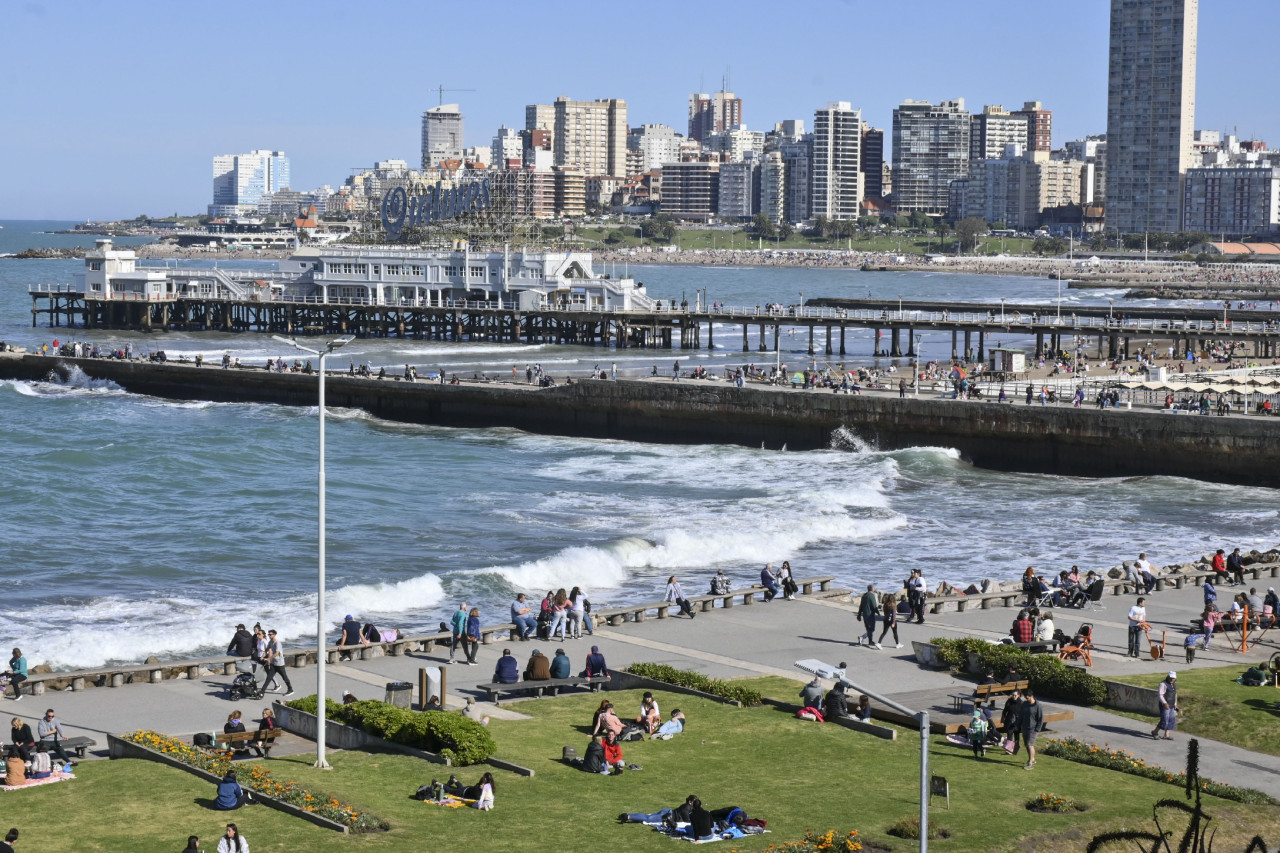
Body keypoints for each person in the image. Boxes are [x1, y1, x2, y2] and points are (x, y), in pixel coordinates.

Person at [620, 794, 700, 825]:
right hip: (667, 815)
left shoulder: (687, 806)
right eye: (695, 801)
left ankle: (627, 814)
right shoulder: (686, 808)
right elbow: (687, 820)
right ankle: (628, 817)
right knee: (647, 819)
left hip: (667, 811)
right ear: (690, 802)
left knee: (648, 816)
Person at [260, 630, 293, 696]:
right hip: (273, 663)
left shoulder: (277, 643)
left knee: (284, 677)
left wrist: (269, 658)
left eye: (271, 634)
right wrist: (262, 656)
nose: (269, 635)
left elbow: (277, 653)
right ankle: (262, 691)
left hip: (279, 664)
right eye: (269, 634)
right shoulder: (270, 642)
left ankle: (290, 690)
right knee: (269, 677)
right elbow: (266, 650)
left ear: (274, 635)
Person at [1018, 689, 1044, 770]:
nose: (1026, 699)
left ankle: (1030, 762)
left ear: (1032, 696)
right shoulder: (1024, 704)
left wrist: (1037, 729)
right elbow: (1021, 715)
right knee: (1026, 745)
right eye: (1026, 698)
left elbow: (1041, 718)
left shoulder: (1038, 706)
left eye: (1027, 698)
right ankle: (1032, 759)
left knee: (1030, 744)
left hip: (1033, 729)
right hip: (1025, 728)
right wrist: (1018, 725)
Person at [1153, 671, 1178, 740]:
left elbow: (1174, 695)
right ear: (1168, 677)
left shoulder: (1174, 685)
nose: (1172, 679)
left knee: (1171, 719)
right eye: (1171, 677)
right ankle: (1155, 732)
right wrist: (1165, 703)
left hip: (1171, 705)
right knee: (1164, 720)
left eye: (1173, 678)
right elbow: (1160, 695)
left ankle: (1166, 735)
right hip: (1165, 705)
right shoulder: (1163, 684)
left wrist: (1175, 704)